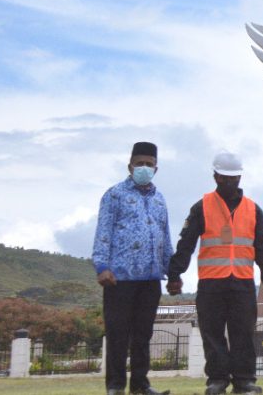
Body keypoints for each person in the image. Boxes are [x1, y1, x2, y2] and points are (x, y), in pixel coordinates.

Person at [167, 151, 263, 395]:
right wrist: (175, 274)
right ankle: (217, 380)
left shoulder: (253, 209)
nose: (229, 182)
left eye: (234, 178)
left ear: (240, 177)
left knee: (243, 333)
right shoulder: (201, 207)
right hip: (211, 282)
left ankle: (244, 381)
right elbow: (186, 243)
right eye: (224, 177)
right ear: (215, 176)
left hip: (242, 282)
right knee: (212, 333)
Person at [92, 141, 172, 395]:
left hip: (150, 278)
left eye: (149, 164)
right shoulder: (114, 195)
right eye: (140, 164)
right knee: (117, 333)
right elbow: (103, 232)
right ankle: (115, 386)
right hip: (119, 278)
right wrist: (101, 266)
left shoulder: (159, 200)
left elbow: (165, 237)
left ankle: (140, 384)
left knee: (143, 334)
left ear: (156, 169)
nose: (144, 168)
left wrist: (172, 272)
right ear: (130, 166)